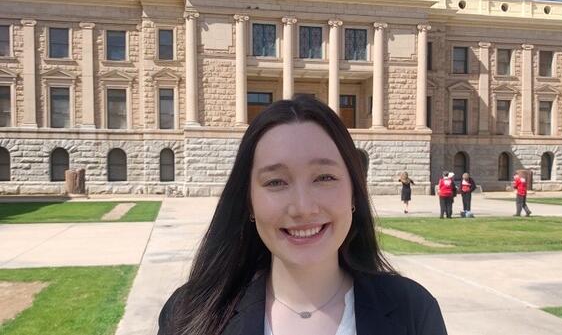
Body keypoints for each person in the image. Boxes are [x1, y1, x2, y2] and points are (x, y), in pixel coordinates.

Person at [157, 96, 447, 335]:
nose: (303, 208)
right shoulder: (189, 315)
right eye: (275, 182)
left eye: (324, 177)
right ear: (249, 203)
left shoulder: (413, 311)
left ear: (354, 193)